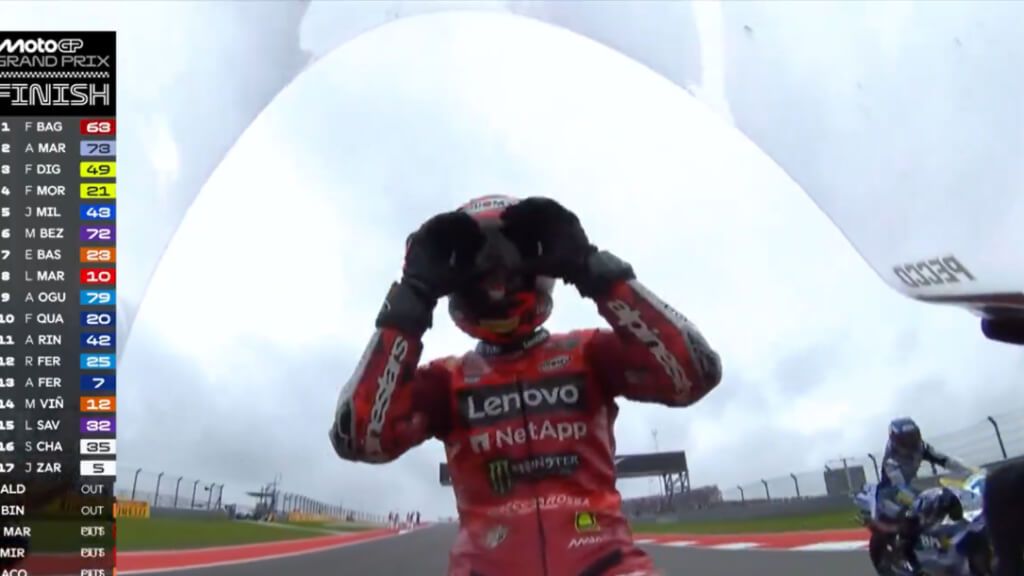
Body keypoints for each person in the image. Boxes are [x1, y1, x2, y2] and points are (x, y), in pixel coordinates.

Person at [329, 195, 723, 576]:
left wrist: (594, 268)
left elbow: (695, 374)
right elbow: (359, 438)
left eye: (509, 262)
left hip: (607, 565)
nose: (497, 279)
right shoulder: (445, 381)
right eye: (481, 267)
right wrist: (410, 299)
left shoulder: (589, 353)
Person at [875, 417, 973, 575]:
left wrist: (971, 472)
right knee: (912, 516)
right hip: (890, 494)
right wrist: (917, 502)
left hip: (906, 487)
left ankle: (944, 545)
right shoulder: (891, 461)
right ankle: (908, 557)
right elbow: (900, 487)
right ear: (895, 440)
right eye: (905, 439)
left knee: (941, 504)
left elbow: (946, 460)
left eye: (913, 436)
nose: (910, 442)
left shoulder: (921, 447)